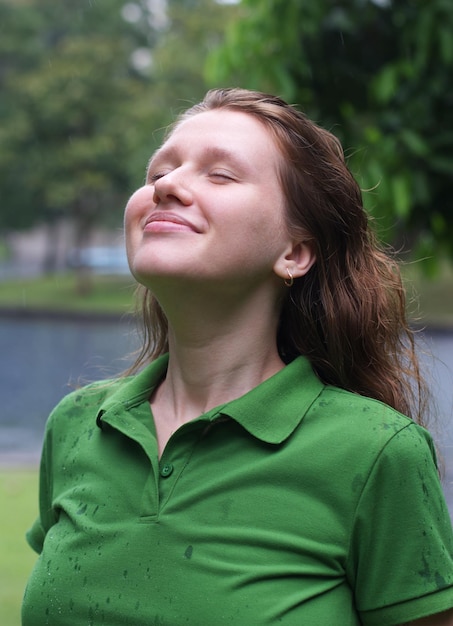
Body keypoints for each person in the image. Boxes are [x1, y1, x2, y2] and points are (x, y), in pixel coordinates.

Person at [22, 87, 453, 625]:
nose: (167, 187)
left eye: (219, 174)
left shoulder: (376, 453)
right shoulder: (77, 424)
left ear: (294, 252)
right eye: (158, 174)